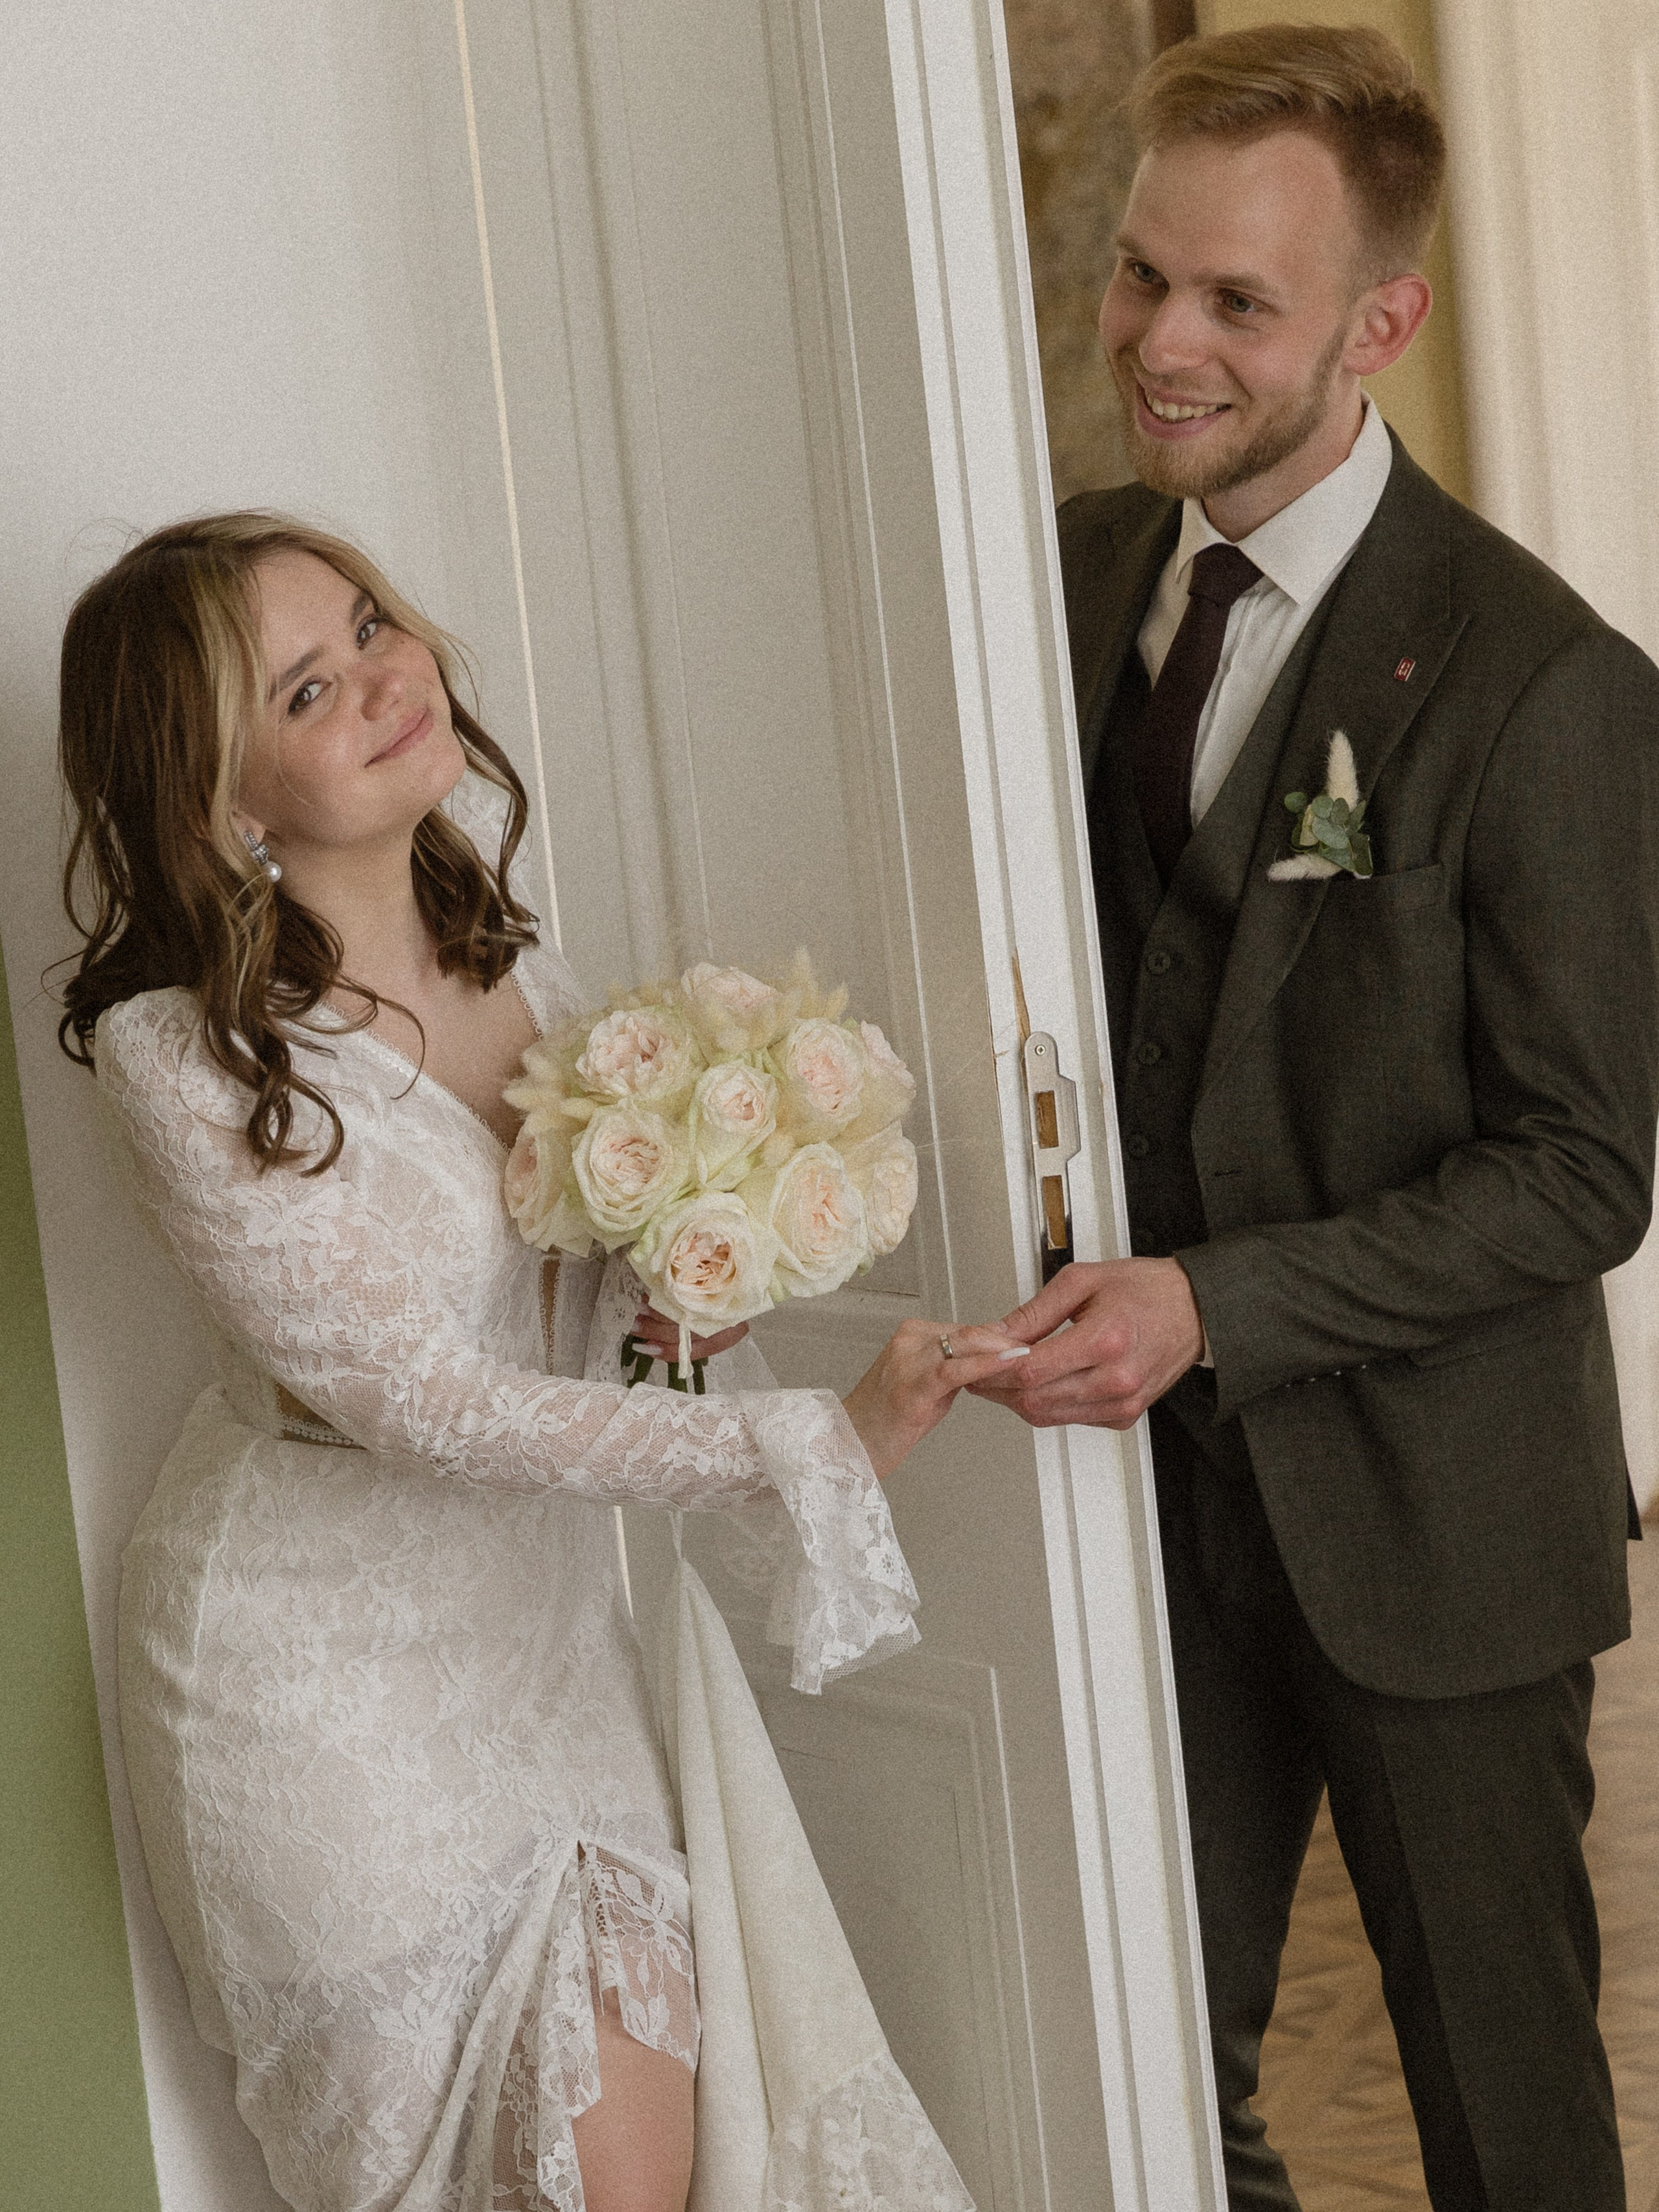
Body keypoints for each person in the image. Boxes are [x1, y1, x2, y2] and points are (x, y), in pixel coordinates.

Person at [58, 512, 1012, 2212]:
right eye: (305, 684)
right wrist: (806, 1442)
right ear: (223, 798)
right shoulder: (179, 1052)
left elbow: (576, 1357)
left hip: (553, 1656)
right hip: (316, 1700)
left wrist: (682, 1313)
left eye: (369, 627)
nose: (379, 678)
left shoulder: (541, 985)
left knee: (645, 2171)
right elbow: (421, 1404)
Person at [971, 23, 1659, 2210]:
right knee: (1147, 2074)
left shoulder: (1548, 687)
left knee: (1505, 2117)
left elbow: (1581, 1174)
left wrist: (1215, 1304)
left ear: (1385, 322)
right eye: (1140, 277)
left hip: (1439, 1529)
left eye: (1235, 304)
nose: (1160, 345)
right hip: (1120, 1523)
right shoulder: (1055, 580)